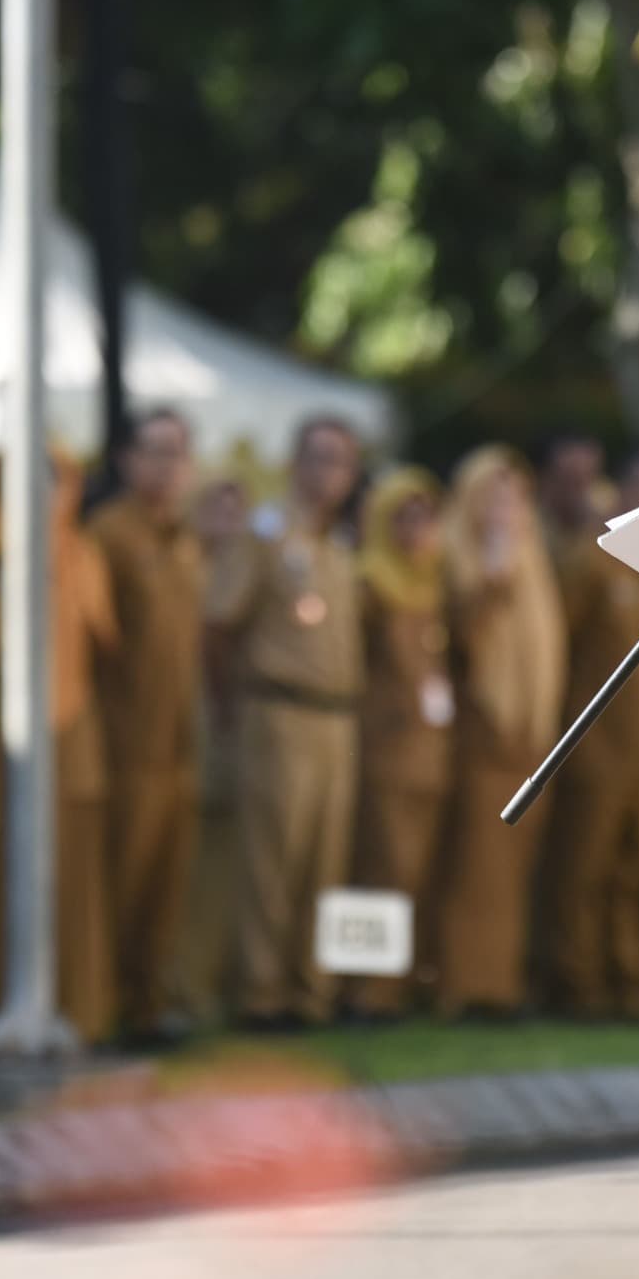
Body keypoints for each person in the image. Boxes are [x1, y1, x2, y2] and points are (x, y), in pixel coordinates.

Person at [207, 417, 363, 1029]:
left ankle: (311, 993)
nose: (329, 474)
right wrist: (229, 705)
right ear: (295, 462)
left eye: (342, 463)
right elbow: (219, 624)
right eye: (319, 459)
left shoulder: (340, 544)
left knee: (325, 861)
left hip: (336, 718)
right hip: (279, 710)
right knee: (273, 860)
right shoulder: (265, 534)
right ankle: (261, 995)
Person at [544, 444, 639, 1019]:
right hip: (595, 744)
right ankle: (577, 986)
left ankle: (626, 985)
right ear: (622, 491)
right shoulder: (591, 559)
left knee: (632, 871)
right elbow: (558, 648)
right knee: (583, 870)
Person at [430, 447, 566, 1019]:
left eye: (514, 497)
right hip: (482, 735)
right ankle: (465, 986)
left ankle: (502, 984)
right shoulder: (453, 551)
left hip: (532, 737)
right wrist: (492, 568)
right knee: (476, 868)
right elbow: (461, 636)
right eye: (493, 495)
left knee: (513, 871)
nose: (505, 508)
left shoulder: (534, 556)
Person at [87, 410, 205, 1045]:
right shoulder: (110, 535)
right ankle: (104, 1005)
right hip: (127, 741)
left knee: (166, 884)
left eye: (179, 453)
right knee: (120, 882)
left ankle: (148, 1006)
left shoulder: (185, 540)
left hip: (179, 743)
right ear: (128, 460)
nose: (168, 468)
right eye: (156, 452)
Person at [345, 468, 451, 1018]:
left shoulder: (434, 585)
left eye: (426, 516)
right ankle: (369, 993)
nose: (417, 529)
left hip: (430, 754)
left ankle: (405, 987)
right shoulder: (368, 584)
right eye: (404, 517)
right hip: (384, 749)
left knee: (417, 870)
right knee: (381, 868)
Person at [172, 476, 253, 1026]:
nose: (226, 517)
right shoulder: (182, 565)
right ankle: (181, 989)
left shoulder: (252, 567)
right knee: (189, 865)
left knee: (229, 865)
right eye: (214, 505)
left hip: (236, 732)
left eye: (236, 505)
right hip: (186, 726)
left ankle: (218, 986)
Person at [51, 452, 120, 1044]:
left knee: (77, 882)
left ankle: (83, 1009)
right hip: (14, 748)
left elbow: (107, 644)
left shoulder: (86, 553)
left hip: (77, 735)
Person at [536, 431, 606, 557]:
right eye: (571, 479)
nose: (582, 491)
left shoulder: (601, 520)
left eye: (589, 477)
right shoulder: (526, 530)